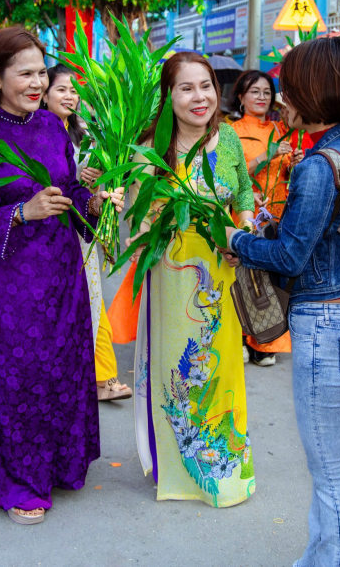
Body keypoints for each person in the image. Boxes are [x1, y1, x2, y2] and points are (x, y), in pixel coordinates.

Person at [0, 27, 123, 526]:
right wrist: (22, 213)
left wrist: (93, 203)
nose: (35, 81)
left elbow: (65, 191)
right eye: (24, 72)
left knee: (62, 367)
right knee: (17, 376)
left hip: (61, 272)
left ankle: (61, 466)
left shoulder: (51, 128)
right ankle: (20, 481)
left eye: (41, 72)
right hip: (6, 281)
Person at [223, 36, 340, 567]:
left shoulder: (317, 164)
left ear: (311, 90)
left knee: (329, 470)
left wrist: (237, 240)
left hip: (325, 323)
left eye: (288, 83)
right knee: (330, 464)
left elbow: (289, 257)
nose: (281, 93)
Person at [129, 52, 255, 508]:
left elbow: (243, 191)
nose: (199, 97)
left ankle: (226, 468)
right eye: (186, 88)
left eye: (206, 85)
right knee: (177, 368)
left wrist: (243, 229)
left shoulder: (229, 142)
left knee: (221, 366)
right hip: (172, 276)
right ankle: (179, 469)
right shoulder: (150, 148)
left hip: (222, 271)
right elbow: (137, 217)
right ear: (168, 96)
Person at [41, 64, 132, 402]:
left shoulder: (83, 134)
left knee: (93, 301)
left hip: (82, 227)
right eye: (62, 89)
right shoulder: (39, 135)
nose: (70, 96)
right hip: (50, 230)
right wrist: (77, 178)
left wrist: (98, 183)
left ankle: (102, 375)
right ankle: (87, 377)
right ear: (44, 92)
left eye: (75, 90)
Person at [227, 69, 303, 367]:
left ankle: (264, 340)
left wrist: (293, 164)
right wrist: (267, 155)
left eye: (266, 92)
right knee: (243, 277)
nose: (261, 97)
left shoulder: (280, 129)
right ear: (241, 97)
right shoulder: (230, 131)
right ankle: (239, 338)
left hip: (277, 214)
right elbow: (229, 176)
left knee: (270, 280)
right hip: (245, 212)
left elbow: (286, 175)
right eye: (254, 91)